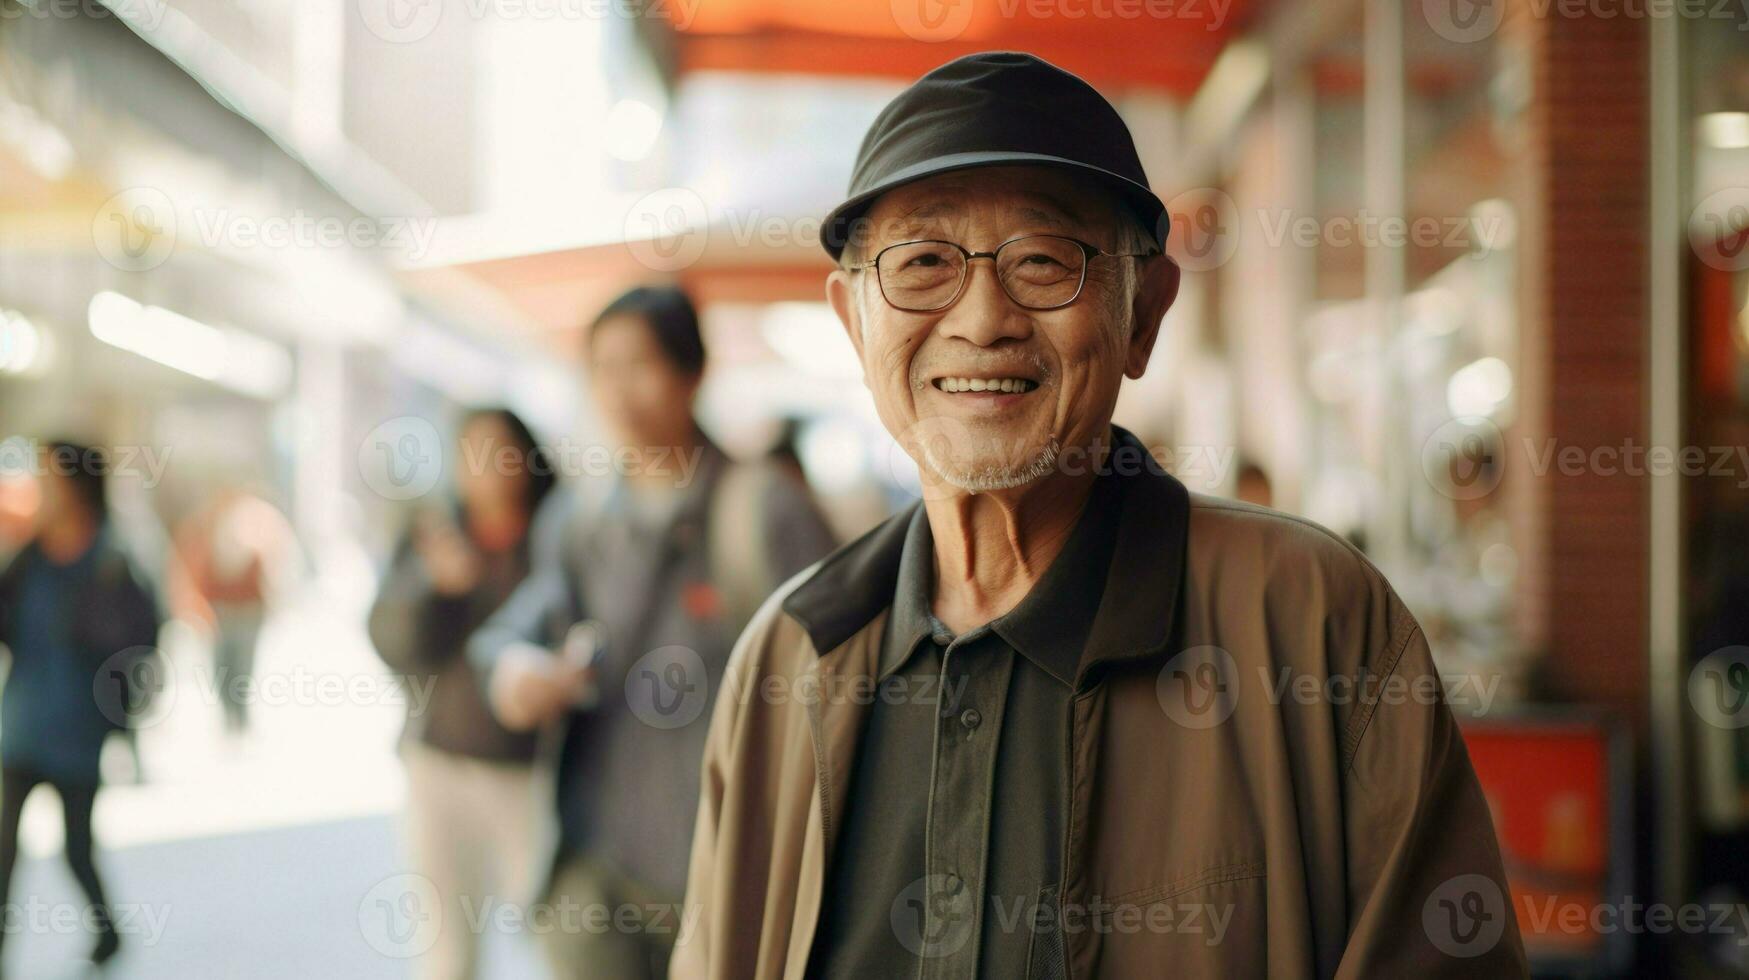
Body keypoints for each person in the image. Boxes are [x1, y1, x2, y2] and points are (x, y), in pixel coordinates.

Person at [673, 52, 1528, 978]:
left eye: (1043, 262)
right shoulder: (792, 655)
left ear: (1143, 316)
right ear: (854, 322)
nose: (982, 318)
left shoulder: (1309, 621)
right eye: (922, 263)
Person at [468, 285, 837, 979]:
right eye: (601, 369)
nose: (618, 390)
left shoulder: (762, 511)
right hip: (594, 867)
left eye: (638, 365)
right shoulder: (580, 519)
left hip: (724, 877)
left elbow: (840, 678)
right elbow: (516, 626)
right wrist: (514, 668)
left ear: (693, 372)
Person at [368, 408, 558, 980]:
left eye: (501, 452)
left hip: (531, 770)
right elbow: (387, 636)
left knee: (555, 928)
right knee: (446, 939)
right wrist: (436, 590)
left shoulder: (557, 536)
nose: (488, 469)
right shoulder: (433, 534)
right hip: (440, 763)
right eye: (472, 453)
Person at [0, 442, 161, 969]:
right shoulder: (29, 556)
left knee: (75, 848)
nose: (41, 486)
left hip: (78, 730)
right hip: (22, 723)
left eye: (49, 475)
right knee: (3, 850)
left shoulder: (112, 558)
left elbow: (142, 640)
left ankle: (107, 930)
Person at [172, 487, 295, 735]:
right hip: (220, 611)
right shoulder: (205, 528)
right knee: (222, 665)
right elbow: (192, 568)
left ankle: (239, 715)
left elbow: (274, 567)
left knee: (243, 665)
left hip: (248, 611)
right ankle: (229, 714)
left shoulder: (257, 525)